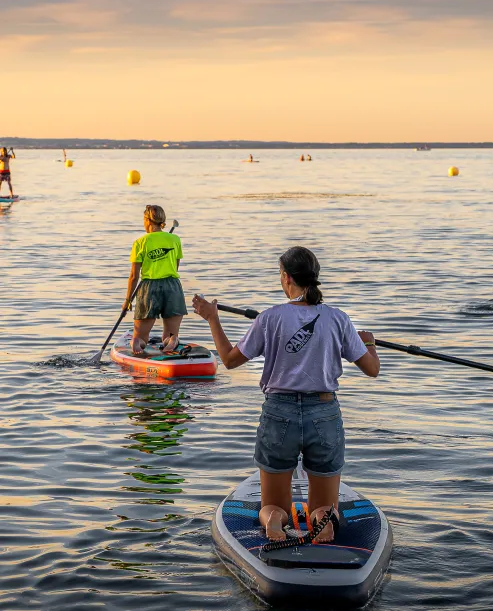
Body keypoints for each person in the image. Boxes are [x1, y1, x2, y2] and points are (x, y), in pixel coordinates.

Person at [192, 246, 380, 542]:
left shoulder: (269, 318)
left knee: (272, 505)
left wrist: (212, 318)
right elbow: (371, 369)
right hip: (324, 413)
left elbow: (228, 359)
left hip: (279, 414)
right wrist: (367, 343)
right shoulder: (338, 319)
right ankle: (323, 519)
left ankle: (275, 520)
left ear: (286, 277)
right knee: (323, 506)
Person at [123, 204, 187, 355]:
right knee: (170, 335)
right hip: (172, 286)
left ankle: (137, 344)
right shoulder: (175, 239)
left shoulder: (140, 243)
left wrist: (127, 300)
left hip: (148, 288)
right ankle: (171, 340)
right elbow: (175, 267)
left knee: (140, 338)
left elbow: (134, 276)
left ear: (147, 220)